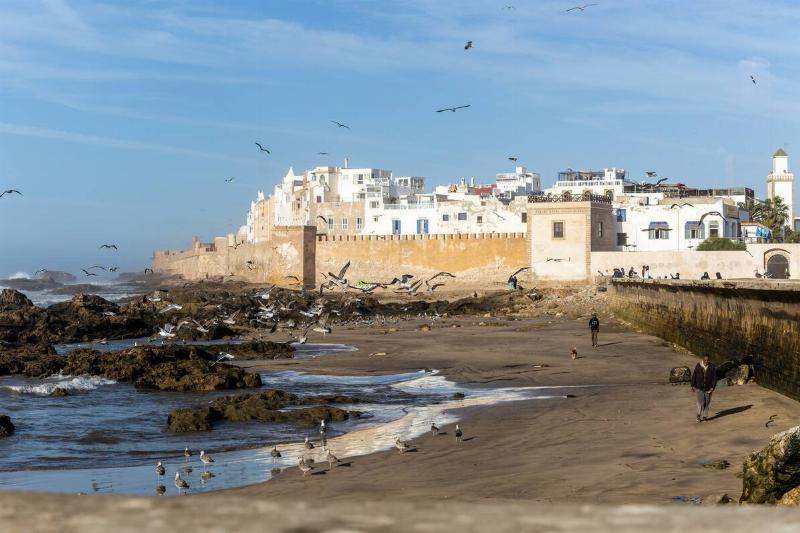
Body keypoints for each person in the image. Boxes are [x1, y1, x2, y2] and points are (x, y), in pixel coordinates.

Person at [691, 355, 717, 422]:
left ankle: (705, 416)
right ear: (702, 360)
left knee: (707, 403)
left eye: (707, 360)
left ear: (709, 360)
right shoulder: (698, 366)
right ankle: (698, 415)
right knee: (700, 402)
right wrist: (693, 385)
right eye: (705, 360)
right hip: (699, 387)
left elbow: (714, 378)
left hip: (708, 388)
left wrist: (712, 387)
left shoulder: (712, 366)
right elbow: (694, 375)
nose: (706, 361)